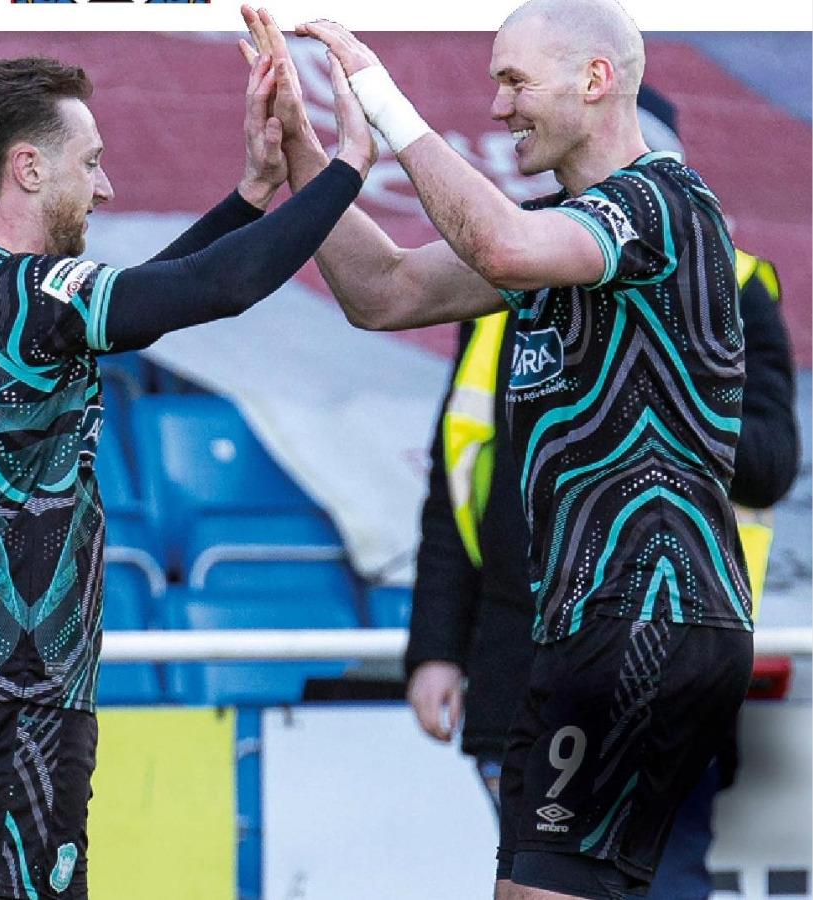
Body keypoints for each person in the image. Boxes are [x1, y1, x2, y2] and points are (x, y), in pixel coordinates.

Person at [242, 2, 756, 897]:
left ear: (596, 81)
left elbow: (501, 245)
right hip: (578, 630)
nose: (496, 106)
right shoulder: (564, 226)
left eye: (514, 80)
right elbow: (384, 291)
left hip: (645, 616)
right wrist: (302, 149)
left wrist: (379, 95)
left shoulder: (658, 200)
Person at [0, 49, 372, 899]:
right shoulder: (27, 298)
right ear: (28, 167)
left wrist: (253, 195)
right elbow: (213, 288)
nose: (105, 188)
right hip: (15, 689)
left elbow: (155, 297)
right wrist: (347, 169)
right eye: (92, 163)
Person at [404, 83, 799, 899]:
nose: (502, 106)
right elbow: (455, 483)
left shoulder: (729, 273)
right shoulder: (511, 278)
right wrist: (435, 648)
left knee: (656, 883)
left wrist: (663, 389)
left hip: (663, 630)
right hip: (524, 644)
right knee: (529, 883)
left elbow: (769, 464)